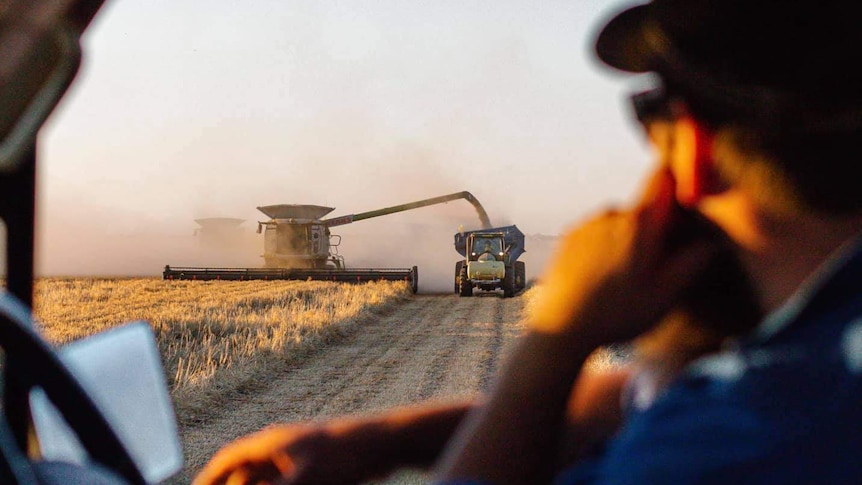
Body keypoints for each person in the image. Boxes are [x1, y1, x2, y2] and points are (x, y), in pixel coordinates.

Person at [195, 0, 862, 483]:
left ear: (691, 151)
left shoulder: (739, 433)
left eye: (651, 111)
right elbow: (633, 396)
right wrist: (377, 438)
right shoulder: (815, 349)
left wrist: (558, 338)